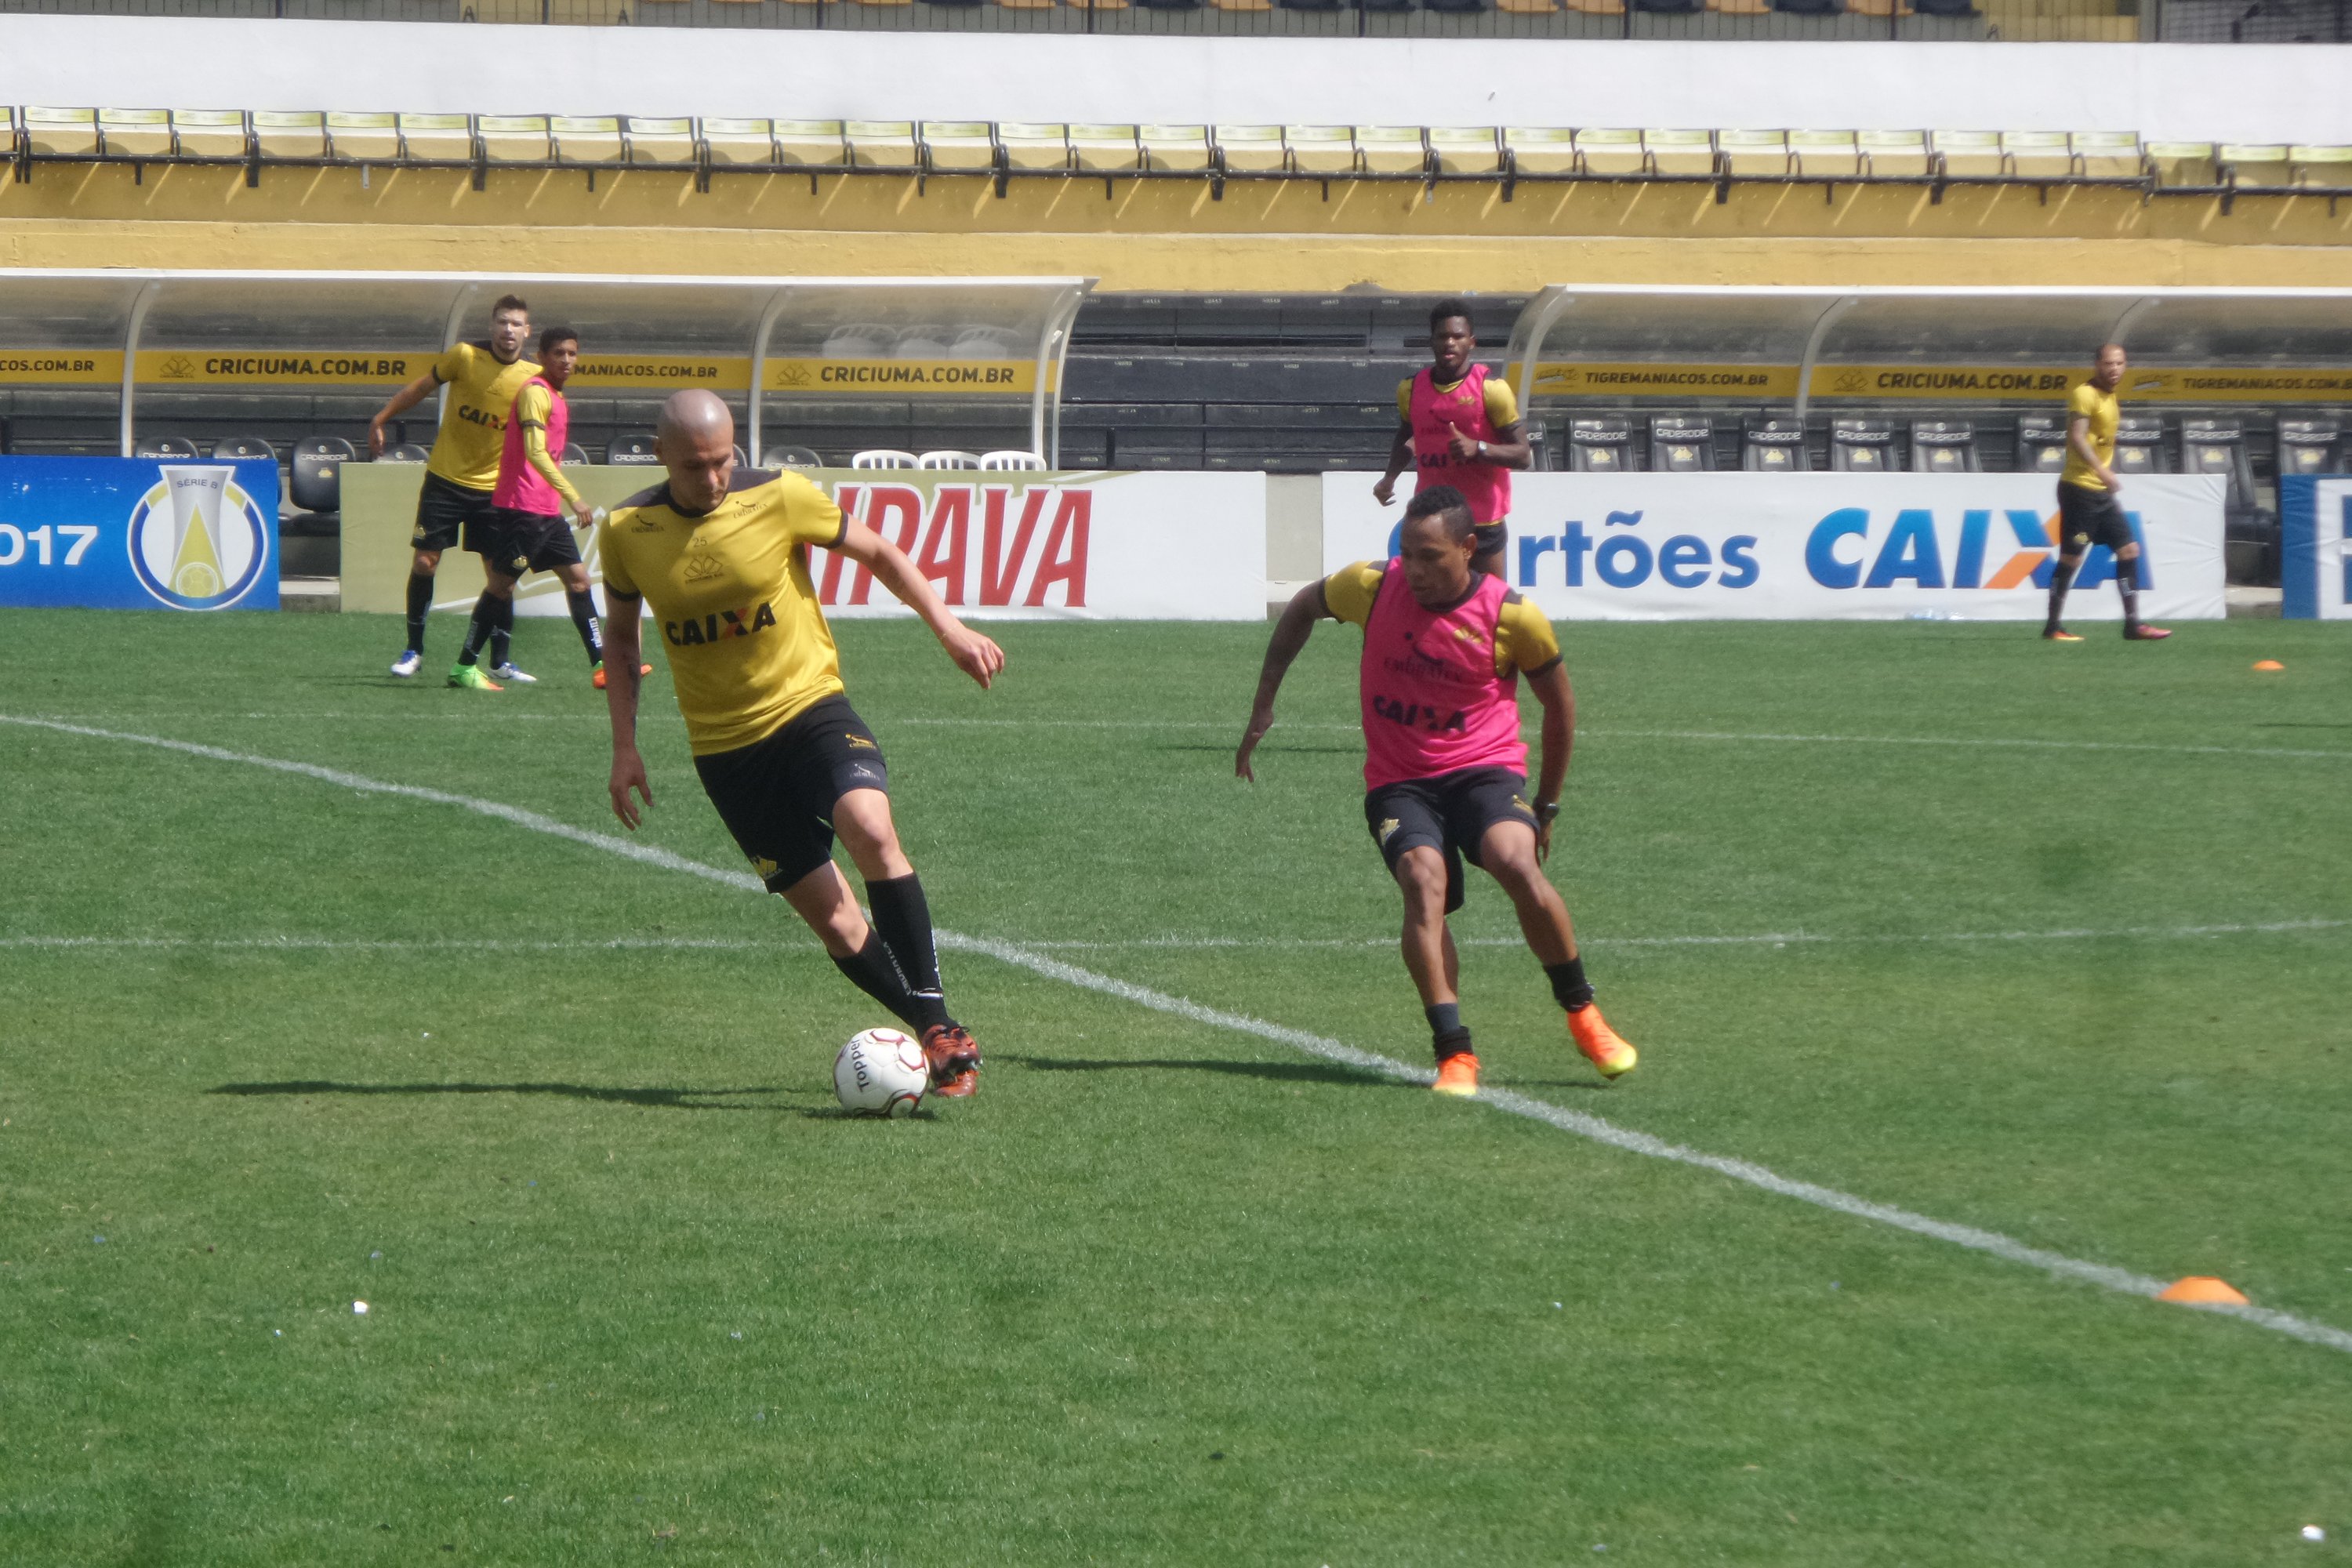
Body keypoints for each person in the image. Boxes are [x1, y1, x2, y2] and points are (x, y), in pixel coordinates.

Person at [598, 390, 1004, 1098]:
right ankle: (931, 1035)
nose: (714, 478)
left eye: (724, 461)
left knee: (870, 826)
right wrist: (625, 747)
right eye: (696, 466)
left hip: (811, 707)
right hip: (727, 752)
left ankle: (936, 1024)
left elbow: (878, 550)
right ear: (661, 455)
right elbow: (625, 638)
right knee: (837, 922)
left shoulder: (780, 496)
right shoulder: (629, 530)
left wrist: (950, 628)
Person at [1236, 485, 1637, 1098]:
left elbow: (1559, 711)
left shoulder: (1512, 617)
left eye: (1431, 556)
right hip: (1400, 782)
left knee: (1516, 863)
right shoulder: (1370, 586)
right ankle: (1455, 1053)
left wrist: (1548, 806)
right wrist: (1264, 704)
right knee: (1424, 883)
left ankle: (1583, 1013)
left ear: (1469, 548)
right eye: (1407, 553)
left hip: (1485, 770)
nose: (1416, 570)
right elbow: (1300, 607)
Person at [448, 325, 639, 692]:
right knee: (501, 587)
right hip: (524, 508)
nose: (566, 360)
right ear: (542, 357)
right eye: (559, 354)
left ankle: (603, 666)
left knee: (579, 580)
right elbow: (535, 452)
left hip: (544, 511)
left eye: (572, 353)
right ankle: (464, 665)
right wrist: (574, 496)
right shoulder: (535, 393)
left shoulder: (555, 394)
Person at [370, 295, 543, 678]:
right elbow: (420, 388)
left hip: (495, 492)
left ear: (527, 332)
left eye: (516, 324)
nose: (508, 330)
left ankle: (500, 661)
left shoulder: (534, 377)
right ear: (492, 326)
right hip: (445, 481)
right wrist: (381, 418)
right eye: (502, 322)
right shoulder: (464, 357)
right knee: (424, 562)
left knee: (501, 579)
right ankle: (413, 651)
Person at [1374, 299, 1531, 582]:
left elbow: (1523, 455)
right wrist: (1389, 478)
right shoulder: (1410, 389)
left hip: (1482, 519)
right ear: (1431, 341)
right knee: (1430, 605)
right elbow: (1405, 435)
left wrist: (1479, 448)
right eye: (1443, 336)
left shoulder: (1492, 390)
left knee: (1490, 608)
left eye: (1458, 336)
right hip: (1433, 519)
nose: (1450, 343)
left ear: (1471, 342)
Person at [2044, 342, 2171, 642]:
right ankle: (2052, 627)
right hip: (2080, 490)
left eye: (2119, 364)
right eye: (2108, 364)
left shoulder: (2111, 396)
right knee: (2071, 559)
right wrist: (2102, 470)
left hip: (2101, 494)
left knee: (2129, 550)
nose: (2114, 370)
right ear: (2097, 365)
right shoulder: (2084, 394)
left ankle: (2133, 625)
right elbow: (2077, 437)